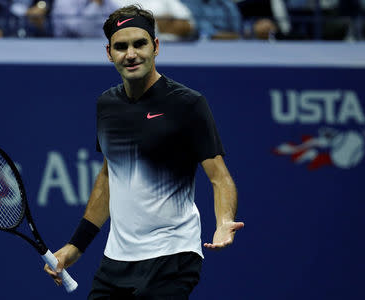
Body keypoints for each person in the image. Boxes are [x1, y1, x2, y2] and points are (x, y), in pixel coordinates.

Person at [44, 4, 244, 299]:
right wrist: (76, 245)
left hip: (172, 256)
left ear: (156, 46)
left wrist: (225, 221)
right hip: (117, 259)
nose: (131, 54)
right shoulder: (106, 105)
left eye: (140, 43)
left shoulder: (188, 104)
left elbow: (220, 178)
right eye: (121, 46)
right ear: (109, 53)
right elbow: (109, 176)